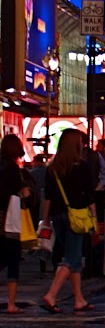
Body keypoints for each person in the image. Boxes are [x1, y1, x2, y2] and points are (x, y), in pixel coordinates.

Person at [40, 127, 96, 313]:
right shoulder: (82, 166)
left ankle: (79, 299)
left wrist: (46, 219)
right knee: (71, 257)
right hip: (76, 216)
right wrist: (94, 217)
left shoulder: (53, 168)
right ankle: (51, 295)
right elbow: (89, 195)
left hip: (57, 215)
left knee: (74, 257)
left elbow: (48, 196)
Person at [1, 133, 33, 314]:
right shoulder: (13, 169)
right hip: (9, 220)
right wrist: (25, 192)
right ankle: (11, 304)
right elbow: (21, 193)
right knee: (12, 260)